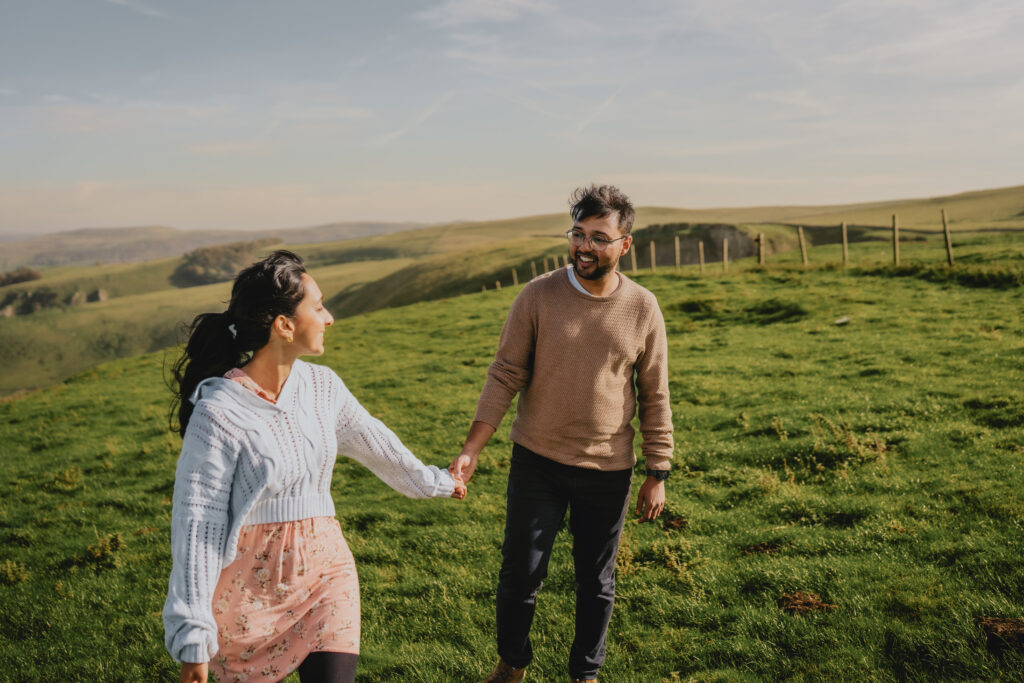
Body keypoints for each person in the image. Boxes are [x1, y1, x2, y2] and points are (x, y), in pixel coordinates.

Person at [163, 250, 466, 683]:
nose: (329, 318)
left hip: (327, 572)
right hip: (249, 590)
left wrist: (436, 481)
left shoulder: (324, 386)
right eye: (318, 306)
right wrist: (193, 635)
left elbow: (377, 445)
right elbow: (197, 525)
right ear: (284, 325)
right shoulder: (219, 412)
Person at [449, 185, 673, 683]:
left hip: (608, 468)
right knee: (520, 574)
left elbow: (655, 394)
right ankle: (511, 665)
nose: (584, 247)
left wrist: (658, 470)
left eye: (598, 237)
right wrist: (472, 449)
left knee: (596, 582)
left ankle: (585, 675)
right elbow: (505, 373)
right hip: (538, 461)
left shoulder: (643, 308)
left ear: (624, 245)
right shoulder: (538, 295)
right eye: (577, 234)